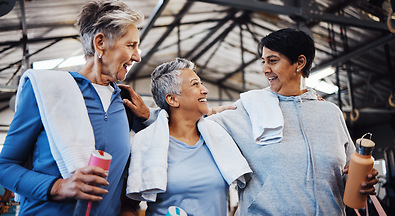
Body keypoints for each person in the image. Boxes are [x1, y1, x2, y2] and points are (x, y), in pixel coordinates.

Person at [0, 0, 149, 215]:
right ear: (100, 43)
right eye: (130, 45)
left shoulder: (126, 103)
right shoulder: (48, 90)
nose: (137, 56)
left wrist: (128, 208)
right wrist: (59, 187)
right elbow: (5, 166)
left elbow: (131, 171)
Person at [206, 28, 378, 215]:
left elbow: (342, 179)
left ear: (300, 62)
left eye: (272, 61)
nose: (265, 69)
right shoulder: (248, 108)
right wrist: (209, 112)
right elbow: (192, 127)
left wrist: (361, 183)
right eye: (263, 62)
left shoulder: (330, 113)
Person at [123, 58, 252, 216]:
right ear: (172, 99)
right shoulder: (147, 143)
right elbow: (127, 207)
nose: (205, 90)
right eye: (195, 84)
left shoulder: (219, 139)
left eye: (201, 83)